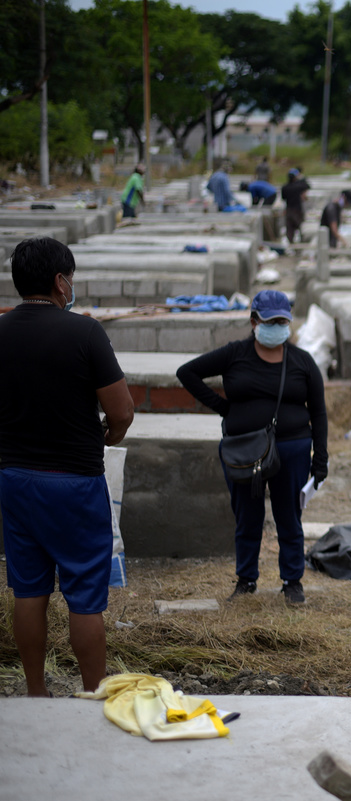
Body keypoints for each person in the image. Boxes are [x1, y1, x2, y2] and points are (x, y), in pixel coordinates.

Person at [0, 237, 135, 696]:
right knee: (84, 599)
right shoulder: (85, 333)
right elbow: (121, 411)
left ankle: (36, 692)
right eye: (70, 278)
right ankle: (93, 693)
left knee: (28, 592)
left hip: (16, 480)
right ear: (60, 282)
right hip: (75, 483)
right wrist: (109, 435)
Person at [176, 290, 328, 604]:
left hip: (292, 450)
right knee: (247, 517)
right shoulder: (235, 354)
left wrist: (320, 458)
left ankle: (292, 581)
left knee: (289, 517)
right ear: (254, 321)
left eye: (282, 322)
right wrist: (223, 408)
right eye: (270, 321)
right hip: (243, 452)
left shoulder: (302, 361)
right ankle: (246, 580)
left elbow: (319, 412)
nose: (276, 327)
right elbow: (187, 372)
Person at [280, 167, 310, 245]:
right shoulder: (298, 186)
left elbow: (283, 198)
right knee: (300, 228)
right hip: (297, 210)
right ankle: (301, 245)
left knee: (290, 229)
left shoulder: (285, 187)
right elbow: (307, 185)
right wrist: (301, 178)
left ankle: (291, 245)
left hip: (288, 210)